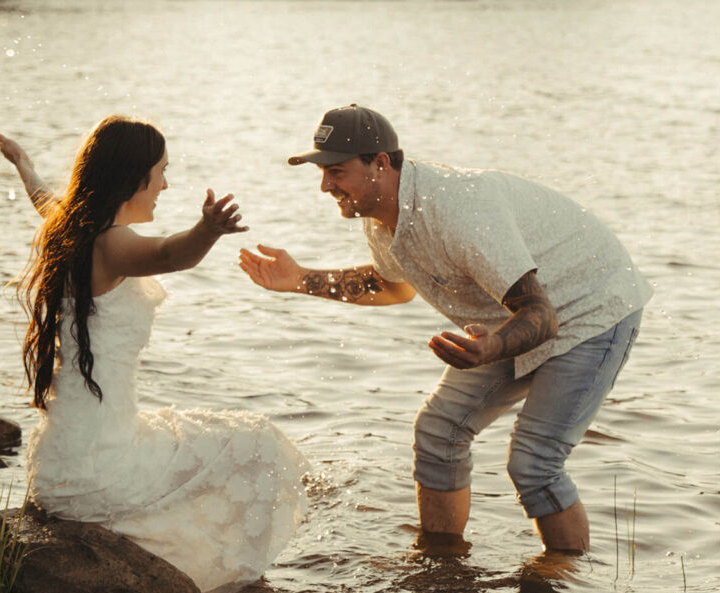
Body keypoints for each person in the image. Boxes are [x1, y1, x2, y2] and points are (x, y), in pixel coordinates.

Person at [239, 104, 652, 553]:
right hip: (515, 316)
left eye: (336, 171)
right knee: (439, 433)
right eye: (322, 172)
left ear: (380, 164)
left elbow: (542, 315)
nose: (325, 186)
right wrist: (300, 279)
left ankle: (562, 584)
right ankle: (442, 567)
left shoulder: (457, 208)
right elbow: (392, 286)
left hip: (592, 306)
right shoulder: (382, 218)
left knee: (535, 462)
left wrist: (491, 348)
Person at [0, 116, 309, 592]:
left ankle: (198, 582)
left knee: (230, 439)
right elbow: (169, 255)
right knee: (261, 445)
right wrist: (207, 229)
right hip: (99, 467)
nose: (166, 183)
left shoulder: (73, 230)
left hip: (66, 459)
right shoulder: (113, 244)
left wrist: (24, 163)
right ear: (133, 177)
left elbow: (44, 201)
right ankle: (235, 590)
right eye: (161, 171)